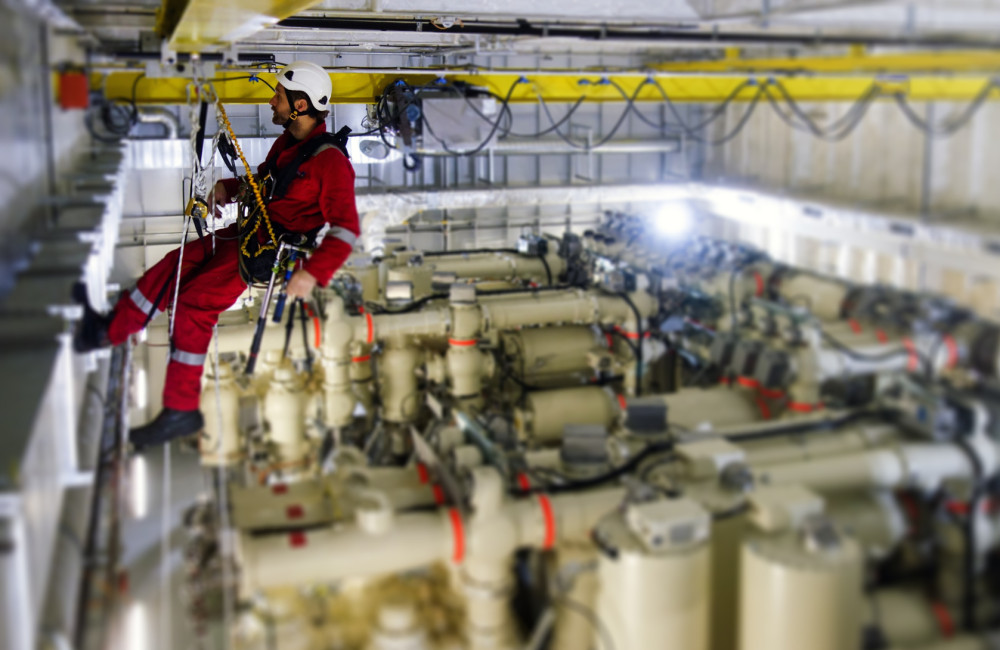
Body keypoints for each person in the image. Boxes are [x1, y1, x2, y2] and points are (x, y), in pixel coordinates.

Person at [74, 60, 360, 448]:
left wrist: (313, 273)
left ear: (301, 106)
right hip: (242, 233)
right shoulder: (289, 145)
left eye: (279, 96)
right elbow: (265, 184)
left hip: (262, 253)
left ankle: (180, 412)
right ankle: (103, 331)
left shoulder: (330, 162)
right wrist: (231, 187)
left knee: (194, 305)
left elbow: (346, 229)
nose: (272, 102)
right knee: (169, 270)